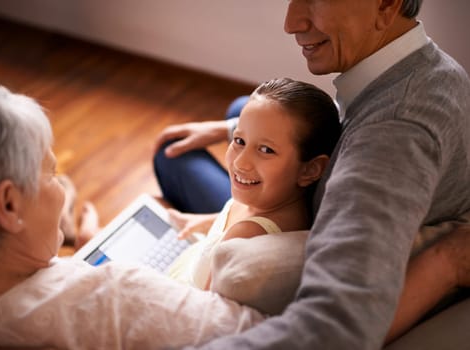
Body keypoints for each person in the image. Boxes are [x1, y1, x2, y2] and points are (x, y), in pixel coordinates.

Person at [153, 0, 470, 348]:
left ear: (386, 3)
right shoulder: (430, 71)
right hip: (296, 203)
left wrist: (445, 265)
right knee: (240, 108)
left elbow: (338, 325)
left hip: (289, 220)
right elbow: (349, 117)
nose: (291, 22)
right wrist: (229, 130)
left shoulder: (397, 130)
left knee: (170, 157)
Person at [0, 78, 265, 349]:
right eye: (52, 175)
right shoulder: (115, 295)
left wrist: (77, 258)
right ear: (9, 206)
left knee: (241, 113)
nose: (59, 188)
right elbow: (267, 334)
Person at [167, 77, 339, 311]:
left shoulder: (248, 233)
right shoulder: (267, 199)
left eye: (266, 150)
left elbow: (199, 315)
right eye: (239, 140)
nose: (240, 162)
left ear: (310, 169)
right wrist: (208, 222)